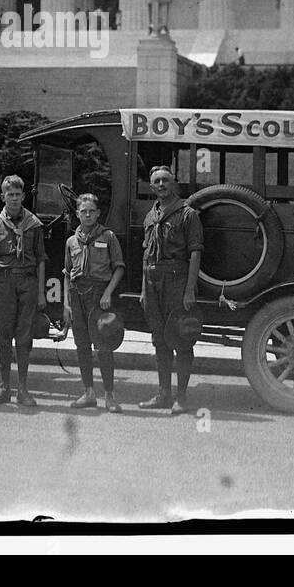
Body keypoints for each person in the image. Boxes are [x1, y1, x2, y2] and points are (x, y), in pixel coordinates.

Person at [138, 166, 203, 414]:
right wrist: (145, 289)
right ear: (152, 186)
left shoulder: (187, 214)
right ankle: (164, 394)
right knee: (159, 339)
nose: (162, 184)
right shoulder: (150, 216)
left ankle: (182, 397)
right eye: (157, 181)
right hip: (153, 281)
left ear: (173, 183)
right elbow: (146, 255)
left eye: (165, 180)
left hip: (177, 279)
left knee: (181, 337)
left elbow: (195, 253)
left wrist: (189, 290)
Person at [0, 175, 46, 407]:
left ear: (23, 196)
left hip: (27, 283)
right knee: (3, 335)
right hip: (3, 283)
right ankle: (3, 387)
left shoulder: (34, 225)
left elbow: (40, 260)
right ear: (3, 197)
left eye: (18, 194)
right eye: (10, 195)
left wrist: (40, 293)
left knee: (24, 336)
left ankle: (23, 389)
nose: (15, 199)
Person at [63, 193, 126, 412]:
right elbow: (67, 272)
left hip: (99, 295)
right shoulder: (72, 240)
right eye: (83, 211)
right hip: (77, 293)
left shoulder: (108, 236)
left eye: (91, 211)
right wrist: (66, 304)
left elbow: (119, 267)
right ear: (77, 214)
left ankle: (109, 396)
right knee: (82, 345)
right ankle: (88, 393)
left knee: (104, 344)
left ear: (98, 213)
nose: (87, 215)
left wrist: (108, 293)